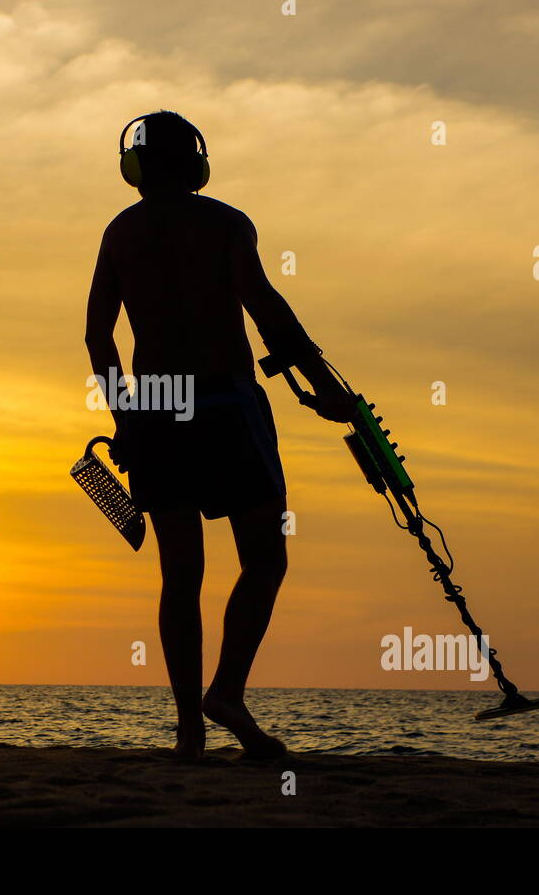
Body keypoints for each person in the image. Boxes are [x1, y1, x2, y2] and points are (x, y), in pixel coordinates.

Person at [85, 110, 350, 759]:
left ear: (135, 168)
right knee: (263, 559)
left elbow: (98, 337)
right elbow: (266, 310)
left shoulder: (120, 232)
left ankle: (188, 729)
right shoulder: (227, 224)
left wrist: (125, 417)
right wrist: (323, 385)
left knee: (181, 576)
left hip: (156, 409)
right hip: (228, 405)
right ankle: (225, 692)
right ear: (197, 164)